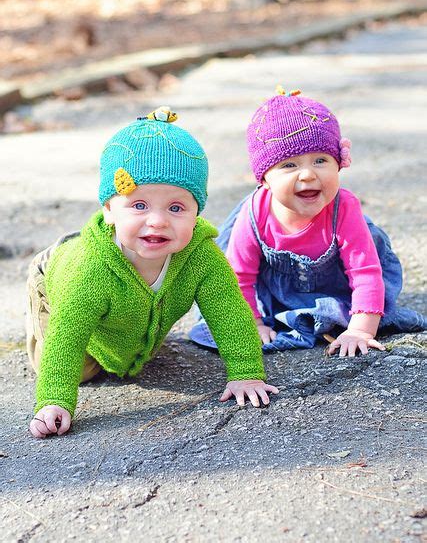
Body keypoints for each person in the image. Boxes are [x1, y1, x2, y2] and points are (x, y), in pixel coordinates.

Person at [27, 107, 278, 439]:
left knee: (132, 346)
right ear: (108, 209)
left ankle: (123, 335)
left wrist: (246, 372)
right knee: (84, 370)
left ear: (196, 211)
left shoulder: (201, 255)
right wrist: (54, 400)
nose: (158, 221)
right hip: (53, 278)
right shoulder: (90, 270)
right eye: (139, 205)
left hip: (126, 299)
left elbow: (229, 312)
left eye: (176, 208)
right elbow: (67, 336)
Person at [190, 88, 426, 356]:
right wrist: (252, 323)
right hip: (276, 298)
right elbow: (239, 276)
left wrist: (360, 329)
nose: (308, 174)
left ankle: (338, 317)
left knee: (369, 316)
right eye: (289, 165)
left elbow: (365, 272)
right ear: (264, 179)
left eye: (320, 160)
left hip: (340, 294)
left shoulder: (344, 207)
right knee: (221, 323)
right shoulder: (254, 213)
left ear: (338, 164)